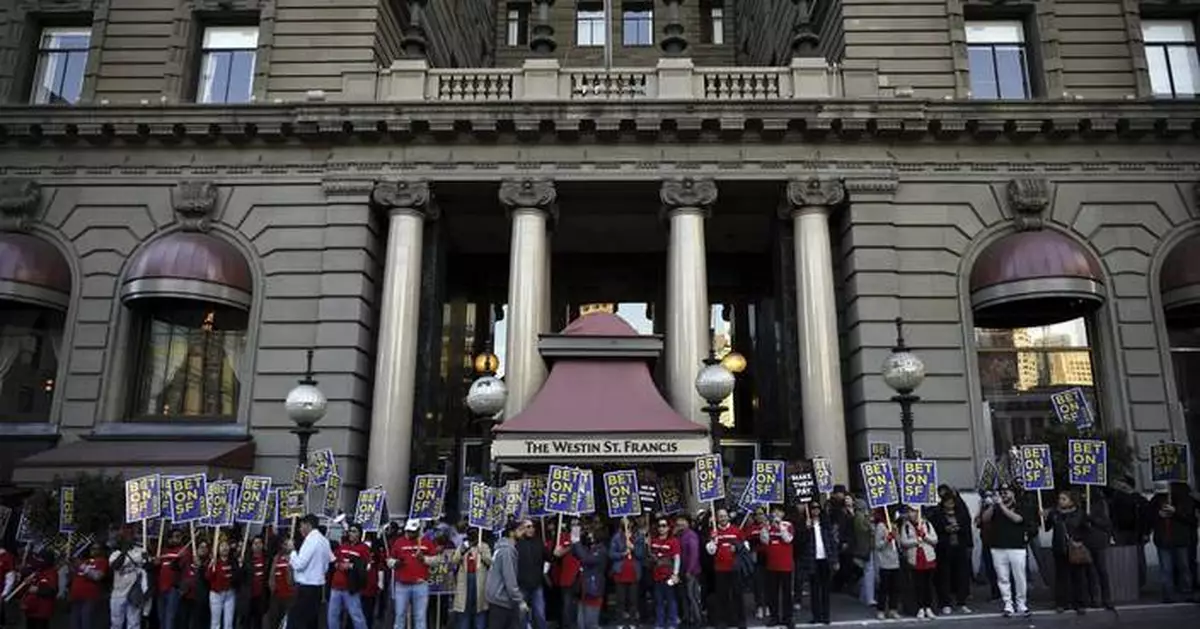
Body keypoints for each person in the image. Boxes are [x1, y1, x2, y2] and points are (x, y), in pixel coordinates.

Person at [980, 484, 1033, 617]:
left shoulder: (1021, 506)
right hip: (998, 547)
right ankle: (1008, 604)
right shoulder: (995, 508)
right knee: (1002, 578)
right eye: (1001, 492)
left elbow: (1017, 519)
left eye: (1006, 492)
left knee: (1019, 577)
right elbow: (984, 519)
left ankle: (1021, 603)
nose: (1003, 495)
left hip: (1017, 547)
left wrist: (1002, 506)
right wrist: (993, 505)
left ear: (1013, 494)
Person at [1147, 481, 1197, 602]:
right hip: (1164, 539)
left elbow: (1191, 520)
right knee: (1166, 568)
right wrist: (1158, 515)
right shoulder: (1155, 501)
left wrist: (1175, 512)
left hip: (1179, 539)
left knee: (1183, 566)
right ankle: (1168, 594)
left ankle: (1186, 591)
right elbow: (1148, 517)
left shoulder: (1184, 500)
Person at [1044, 489, 1091, 614]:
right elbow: (1047, 528)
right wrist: (1044, 517)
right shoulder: (1055, 513)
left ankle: (1080, 603)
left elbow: (1087, 530)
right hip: (1059, 548)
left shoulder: (1080, 513)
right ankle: (1062, 603)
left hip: (1074, 548)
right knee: (1061, 577)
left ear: (1071, 501)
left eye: (1064, 499)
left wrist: (1080, 541)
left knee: (1078, 577)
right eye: (1060, 499)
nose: (1060, 501)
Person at [389, 519, 438, 629]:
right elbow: (389, 560)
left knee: (420, 616)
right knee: (400, 615)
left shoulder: (426, 542)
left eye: (413, 531)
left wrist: (424, 559)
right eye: (408, 531)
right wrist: (395, 563)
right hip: (402, 585)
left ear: (418, 530)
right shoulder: (399, 542)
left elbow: (435, 561)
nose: (410, 533)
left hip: (420, 584)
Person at [930, 488, 972, 615]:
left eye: (952, 502)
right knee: (944, 576)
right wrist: (945, 529)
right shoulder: (938, 513)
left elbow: (967, 527)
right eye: (947, 502)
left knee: (962, 576)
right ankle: (945, 603)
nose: (950, 505)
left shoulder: (961, 513)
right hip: (944, 549)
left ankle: (962, 602)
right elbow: (935, 529)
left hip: (959, 547)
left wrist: (959, 529)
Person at [289, 514, 333, 629]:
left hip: (306, 587)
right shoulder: (324, 540)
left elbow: (299, 564)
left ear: (308, 525)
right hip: (317, 588)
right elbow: (330, 562)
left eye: (301, 526)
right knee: (311, 622)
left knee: (297, 622)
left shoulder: (310, 540)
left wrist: (292, 551)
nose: (299, 529)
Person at [798, 500, 838, 625]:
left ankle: (826, 616)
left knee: (825, 590)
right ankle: (816, 615)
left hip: (825, 560)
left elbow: (832, 543)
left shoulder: (825, 525)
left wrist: (835, 560)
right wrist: (806, 529)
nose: (815, 511)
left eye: (817, 508)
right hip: (812, 560)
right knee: (814, 590)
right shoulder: (806, 525)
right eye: (813, 508)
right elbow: (801, 543)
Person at [705, 508, 747, 629]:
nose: (722, 518)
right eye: (720, 516)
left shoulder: (736, 530)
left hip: (735, 568)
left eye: (724, 516)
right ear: (717, 518)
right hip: (720, 569)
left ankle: (741, 621)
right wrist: (712, 541)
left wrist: (737, 548)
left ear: (728, 517)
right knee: (722, 596)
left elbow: (745, 548)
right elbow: (711, 552)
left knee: (737, 595)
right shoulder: (714, 532)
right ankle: (723, 621)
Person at [485, 520, 528, 629]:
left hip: (497, 598)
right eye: (521, 529)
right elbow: (509, 578)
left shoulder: (502, 548)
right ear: (511, 532)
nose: (524, 532)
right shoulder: (507, 551)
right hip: (502, 599)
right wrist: (519, 600)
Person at [898, 506, 938, 620]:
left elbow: (935, 539)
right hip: (915, 558)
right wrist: (916, 541)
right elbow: (904, 541)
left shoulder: (927, 524)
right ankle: (920, 608)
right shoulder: (906, 526)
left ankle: (928, 607)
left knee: (928, 584)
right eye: (910, 511)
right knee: (918, 584)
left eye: (914, 511)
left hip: (928, 557)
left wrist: (925, 536)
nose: (912, 514)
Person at [330, 524, 370, 629]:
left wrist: (351, 566)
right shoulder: (343, 546)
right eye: (350, 531)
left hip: (351, 587)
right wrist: (339, 564)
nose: (351, 533)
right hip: (336, 586)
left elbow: (365, 566)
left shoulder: (364, 548)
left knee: (356, 615)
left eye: (354, 531)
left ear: (360, 534)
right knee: (333, 615)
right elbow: (335, 561)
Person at [609, 517, 646, 629]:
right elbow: (611, 554)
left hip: (634, 573)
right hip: (620, 572)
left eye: (628, 522)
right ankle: (620, 622)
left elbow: (641, 555)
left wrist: (633, 547)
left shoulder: (639, 536)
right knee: (620, 600)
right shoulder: (616, 537)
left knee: (633, 600)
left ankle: (633, 622)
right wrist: (623, 553)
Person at [761, 506, 794, 628]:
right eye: (774, 512)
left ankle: (788, 618)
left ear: (783, 513)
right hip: (772, 565)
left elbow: (788, 539)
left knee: (787, 593)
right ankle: (774, 617)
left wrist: (779, 526)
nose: (776, 514)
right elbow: (764, 541)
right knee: (772, 593)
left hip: (785, 566)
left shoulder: (788, 525)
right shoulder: (768, 526)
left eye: (778, 512)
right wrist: (765, 528)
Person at [109, 526, 147, 629]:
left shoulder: (140, 551)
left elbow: (147, 567)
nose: (128, 539)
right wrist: (124, 551)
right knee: (116, 622)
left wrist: (148, 560)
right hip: (118, 593)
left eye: (130, 536)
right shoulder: (115, 554)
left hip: (134, 592)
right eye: (125, 537)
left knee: (134, 623)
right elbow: (115, 566)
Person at [451, 531, 490, 629]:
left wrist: (483, 554)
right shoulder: (463, 546)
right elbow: (454, 561)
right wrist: (462, 551)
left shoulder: (484, 546)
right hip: (465, 583)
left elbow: (490, 562)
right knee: (464, 612)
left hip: (479, 583)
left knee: (479, 612)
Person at [153, 528, 190, 629]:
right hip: (160, 589)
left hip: (173, 589)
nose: (179, 539)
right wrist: (155, 564)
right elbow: (157, 570)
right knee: (161, 618)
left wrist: (178, 561)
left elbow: (183, 569)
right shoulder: (162, 551)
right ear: (169, 538)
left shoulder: (184, 551)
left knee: (170, 618)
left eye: (180, 536)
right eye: (176, 536)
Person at [572, 526, 607, 629]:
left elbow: (586, 559)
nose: (589, 535)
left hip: (594, 588)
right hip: (584, 588)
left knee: (591, 623)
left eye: (591, 534)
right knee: (581, 623)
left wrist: (577, 542)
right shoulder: (591, 548)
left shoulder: (601, 550)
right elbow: (577, 554)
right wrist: (575, 537)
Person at [514, 519, 547, 629]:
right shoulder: (516, 544)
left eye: (532, 526)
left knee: (540, 615)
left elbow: (548, 558)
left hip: (537, 585)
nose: (531, 529)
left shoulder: (539, 542)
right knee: (521, 616)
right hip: (521, 586)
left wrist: (555, 554)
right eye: (527, 527)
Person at [69, 541, 109, 629]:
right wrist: (72, 565)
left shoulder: (103, 561)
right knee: (74, 624)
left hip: (89, 597)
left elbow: (97, 576)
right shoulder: (86, 561)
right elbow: (74, 574)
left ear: (102, 551)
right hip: (76, 596)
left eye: (96, 549)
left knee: (86, 623)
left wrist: (82, 566)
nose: (93, 550)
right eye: (92, 548)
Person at [650, 517, 681, 629]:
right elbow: (650, 556)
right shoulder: (653, 540)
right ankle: (660, 622)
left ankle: (672, 622)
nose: (661, 528)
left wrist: (675, 574)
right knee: (658, 600)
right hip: (656, 574)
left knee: (671, 599)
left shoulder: (673, 541)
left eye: (664, 526)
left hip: (668, 574)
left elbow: (677, 558)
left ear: (668, 528)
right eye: (659, 526)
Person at [551, 518, 583, 629]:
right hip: (567, 577)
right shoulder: (563, 537)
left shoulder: (584, 538)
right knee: (567, 604)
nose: (575, 527)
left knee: (578, 603)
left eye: (577, 524)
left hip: (580, 577)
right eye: (573, 524)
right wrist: (570, 547)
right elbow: (557, 553)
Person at [872, 508, 901, 620]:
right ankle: (881, 610)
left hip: (895, 561)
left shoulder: (893, 525)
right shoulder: (881, 526)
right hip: (885, 561)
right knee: (884, 588)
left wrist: (896, 535)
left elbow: (898, 544)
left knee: (895, 588)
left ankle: (893, 609)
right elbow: (877, 545)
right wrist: (887, 539)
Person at [674, 515, 702, 629]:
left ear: (687, 523)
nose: (680, 524)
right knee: (683, 595)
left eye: (682, 522)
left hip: (691, 571)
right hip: (681, 569)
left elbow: (694, 554)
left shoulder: (691, 535)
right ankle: (687, 617)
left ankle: (697, 619)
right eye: (678, 523)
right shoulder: (679, 535)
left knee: (692, 596)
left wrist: (690, 570)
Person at [20, 550, 58, 629]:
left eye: (41, 559)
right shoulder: (37, 570)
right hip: (31, 609)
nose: (38, 561)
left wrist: (37, 590)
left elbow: (52, 591)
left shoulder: (51, 573)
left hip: (42, 611)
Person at [208, 540, 239, 629]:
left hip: (230, 594)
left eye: (226, 545)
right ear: (217, 548)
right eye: (222, 546)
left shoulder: (233, 561)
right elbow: (208, 577)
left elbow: (237, 577)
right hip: (216, 594)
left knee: (229, 623)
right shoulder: (214, 562)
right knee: (215, 622)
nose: (224, 548)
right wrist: (211, 566)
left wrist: (239, 566)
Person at [240, 536, 269, 629]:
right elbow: (239, 578)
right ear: (251, 546)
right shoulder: (245, 559)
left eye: (259, 543)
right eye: (255, 543)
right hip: (248, 596)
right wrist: (240, 567)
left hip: (261, 596)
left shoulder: (268, 558)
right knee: (246, 622)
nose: (257, 545)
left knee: (258, 622)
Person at [183, 540, 212, 629]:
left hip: (201, 598)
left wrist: (201, 567)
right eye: (201, 547)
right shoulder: (189, 560)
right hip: (187, 596)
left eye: (205, 547)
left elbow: (207, 578)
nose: (203, 549)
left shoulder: (209, 562)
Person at [268, 536, 294, 629]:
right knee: (274, 620)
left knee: (287, 622)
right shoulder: (277, 557)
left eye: (289, 544)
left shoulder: (295, 557)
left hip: (289, 596)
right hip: (276, 595)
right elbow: (271, 574)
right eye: (285, 544)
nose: (287, 546)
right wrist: (272, 587)